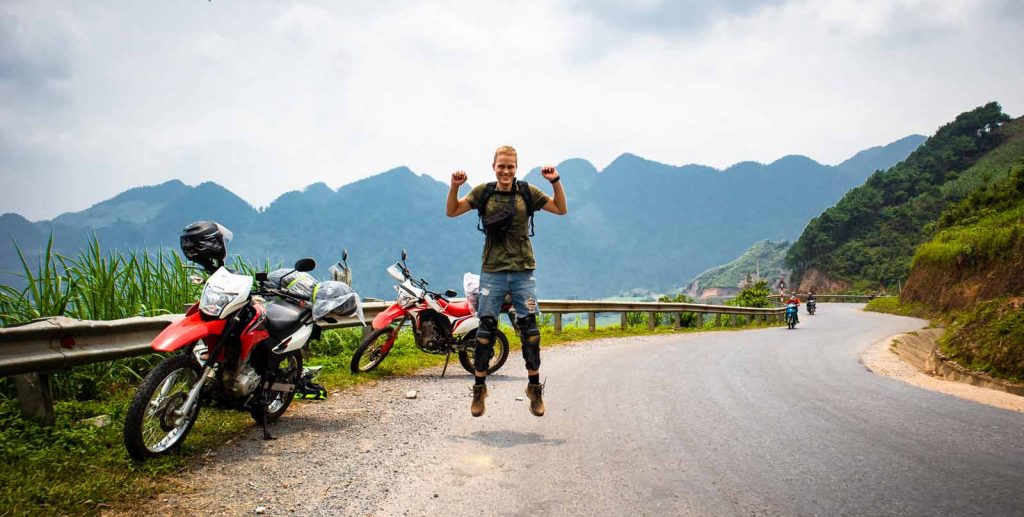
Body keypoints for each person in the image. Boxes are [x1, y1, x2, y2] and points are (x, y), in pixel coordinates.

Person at [446, 145, 568, 417]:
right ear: (493, 167)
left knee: (531, 333)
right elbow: (452, 211)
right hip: (493, 272)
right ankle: (479, 391)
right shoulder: (483, 192)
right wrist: (454, 186)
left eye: (510, 166)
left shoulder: (527, 192)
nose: (505, 170)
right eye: (501, 166)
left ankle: (534, 390)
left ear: (516, 167)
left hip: (523, 271)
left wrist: (555, 181)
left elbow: (560, 208)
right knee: (485, 333)